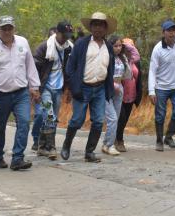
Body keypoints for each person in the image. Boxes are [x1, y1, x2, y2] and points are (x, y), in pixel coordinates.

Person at [0, 16, 40, 170]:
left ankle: (18, 158)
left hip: (21, 92)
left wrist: (34, 86)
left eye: (9, 28)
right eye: (3, 28)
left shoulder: (22, 42)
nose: (7, 31)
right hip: (0, 93)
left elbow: (30, 65)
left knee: (24, 122)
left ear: (14, 28)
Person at [61, 12, 116, 163]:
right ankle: (66, 144)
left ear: (106, 28)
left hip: (100, 88)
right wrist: (74, 87)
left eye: (101, 25)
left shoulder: (108, 47)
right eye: (95, 25)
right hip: (83, 87)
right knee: (77, 120)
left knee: (98, 121)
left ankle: (89, 152)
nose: (98, 28)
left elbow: (110, 69)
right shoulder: (82, 44)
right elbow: (70, 68)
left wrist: (109, 89)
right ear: (90, 27)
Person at [31, 21, 74, 160]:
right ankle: (51, 147)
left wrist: (69, 90)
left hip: (59, 89)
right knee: (50, 116)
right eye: (64, 35)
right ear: (57, 33)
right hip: (45, 89)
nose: (66, 38)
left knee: (51, 119)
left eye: (68, 35)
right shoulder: (45, 47)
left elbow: (70, 70)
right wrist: (35, 89)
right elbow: (34, 68)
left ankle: (42, 146)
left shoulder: (69, 49)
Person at [149, 20, 175, 151]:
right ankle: (159, 140)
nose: (172, 33)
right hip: (161, 87)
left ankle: (168, 136)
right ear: (163, 33)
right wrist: (151, 91)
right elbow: (152, 70)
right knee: (160, 115)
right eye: (169, 30)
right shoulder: (158, 49)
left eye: (174, 30)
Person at [102, 36, 132, 155]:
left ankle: (107, 144)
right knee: (112, 118)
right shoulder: (106, 57)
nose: (118, 48)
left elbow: (135, 56)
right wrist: (111, 83)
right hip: (107, 90)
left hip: (119, 90)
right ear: (110, 46)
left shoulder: (122, 57)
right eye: (115, 46)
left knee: (116, 118)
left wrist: (126, 45)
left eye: (120, 46)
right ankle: (109, 144)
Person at [115, 38, 141, 152]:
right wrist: (124, 46)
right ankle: (119, 140)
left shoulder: (134, 61)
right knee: (121, 118)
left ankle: (116, 138)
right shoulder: (120, 60)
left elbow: (136, 55)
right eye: (124, 47)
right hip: (119, 94)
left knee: (124, 120)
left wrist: (130, 46)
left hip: (131, 95)